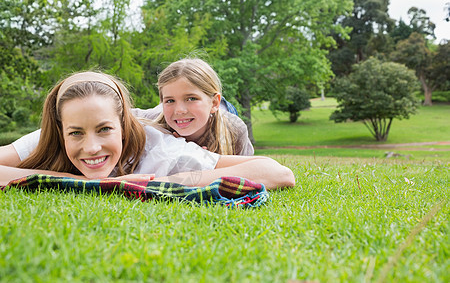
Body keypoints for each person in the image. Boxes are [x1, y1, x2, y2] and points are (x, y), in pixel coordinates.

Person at [0, 71, 295, 190]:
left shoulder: (160, 148)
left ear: (125, 128)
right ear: (61, 130)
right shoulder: (50, 139)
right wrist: (88, 183)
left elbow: (277, 173)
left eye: (104, 129)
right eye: (76, 133)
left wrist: (159, 182)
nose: (91, 147)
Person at [3, 58, 253, 164]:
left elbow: (250, 177)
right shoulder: (149, 122)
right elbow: (109, 117)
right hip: (155, 114)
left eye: (190, 98)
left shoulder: (234, 129)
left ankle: (207, 102)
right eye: (170, 100)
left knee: (218, 110)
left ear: (211, 100)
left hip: (219, 112)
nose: (179, 110)